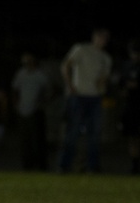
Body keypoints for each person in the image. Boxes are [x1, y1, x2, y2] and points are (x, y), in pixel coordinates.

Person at [58, 27, 113, 173]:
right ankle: (64, 165)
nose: (102, 40)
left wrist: (103, 84)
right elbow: (66, 65)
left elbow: (104, 78)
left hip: (95, 98)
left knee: (94, 134)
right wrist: (70, 85)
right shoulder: (81, 49)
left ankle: (93, 166)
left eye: (105, 37)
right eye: (100, 36)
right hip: (78, 96)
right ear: (94, 37)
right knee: (72, 132)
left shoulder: (106, 58)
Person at [11, 50, 53, 171]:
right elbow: (15, 89)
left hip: (35, 111)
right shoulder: (21, 73)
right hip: (22, 110)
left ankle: (41, 166)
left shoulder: (40, 74)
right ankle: (27, 166)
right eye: (24, 62)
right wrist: (16, 104)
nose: (27, 64)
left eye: (29, 61)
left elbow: (51, 89)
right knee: (25, 140)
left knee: (38, 140)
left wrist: (43, 101)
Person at [118, 38, 140, 175]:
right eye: (133, 52)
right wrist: (123, 90)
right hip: (130, 106)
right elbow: (121, 83)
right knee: (132, 136)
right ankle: (134, 165)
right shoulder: (127, 66)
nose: (135, 55)